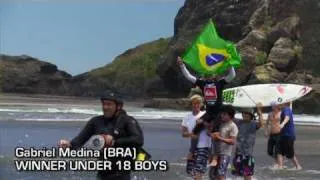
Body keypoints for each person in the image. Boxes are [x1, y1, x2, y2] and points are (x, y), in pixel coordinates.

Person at [58, 93, 144, 180]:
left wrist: (114, 142)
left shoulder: (127, 121)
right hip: (103, 172)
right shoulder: (96, 122)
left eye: (109, 104)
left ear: (118, 106)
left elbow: (138, 140)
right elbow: (79, 141)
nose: (105, 107)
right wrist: (68, 145)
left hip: (121, 173)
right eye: (104, 104)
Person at [177, 56, 236, 166]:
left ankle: (214, 157)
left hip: (219, 113)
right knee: (197, 127)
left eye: (211, 73)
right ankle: (192, 152)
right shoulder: (202, 84)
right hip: (208, 112)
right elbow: (189, 77)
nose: (209, 75)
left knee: (214, 133)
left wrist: (230, 64)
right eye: (207, 73)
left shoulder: (220, 83)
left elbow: (232, 75)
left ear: (215, 75)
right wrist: (182, 65)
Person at [181, 95, 212, 180]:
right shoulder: (187, 117)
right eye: (194, 103)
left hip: (204, 147)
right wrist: (191, 134)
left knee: (199, 172)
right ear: (191, 104)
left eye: (198, 103)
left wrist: (206, 124)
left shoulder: (205, 115)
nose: (196, 105)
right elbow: (183, 133)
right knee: (192, 172)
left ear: (201, 104)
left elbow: (212, 130)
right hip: (193, 148)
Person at [232, 104, 264, 180]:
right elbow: (230, 117)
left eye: (247, 114)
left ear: (251, 115)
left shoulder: (253, 124)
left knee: (247, 174)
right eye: (244, 113)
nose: (245, 115)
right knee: (238, 174)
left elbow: (261, 124)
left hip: (248, 153)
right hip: (238, 152)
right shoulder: (238, 122)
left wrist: (260, 113)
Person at [209, 105, 238, 180]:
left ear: (230, 115)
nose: (222, 115)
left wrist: (220, 138)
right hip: (214, 152)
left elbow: (232, 141)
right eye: (222, 114)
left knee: (221, 174)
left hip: (225, 153)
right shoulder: (219, 123)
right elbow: (210, 132)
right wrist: (211, 134)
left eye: (224, 114)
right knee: (212, 175)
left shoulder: (233, 126)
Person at [278, 102, 302, 170]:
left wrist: (282, 124)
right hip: (283, 135)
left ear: (284, 104)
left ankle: (298, 166)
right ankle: (280, 167)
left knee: (290, 153)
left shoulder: (287, 109)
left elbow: (287, 117)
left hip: (288, 135)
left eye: (280, 103)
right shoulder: (284, 110)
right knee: (279, 151)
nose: (278, 105)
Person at [264, 103, 282, 168]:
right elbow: (266, 123)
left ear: (277, 106)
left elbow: (285, 123)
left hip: (279, 134)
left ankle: (279, 165)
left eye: (274, 105)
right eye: (272, 105)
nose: (272, 106)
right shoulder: (270, 114)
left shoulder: (281, 113)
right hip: (272, 134)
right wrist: (266, 131)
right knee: (269, 151)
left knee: (277, 151)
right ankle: (278, 162)